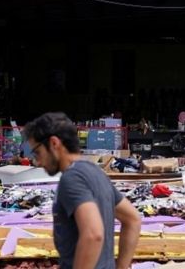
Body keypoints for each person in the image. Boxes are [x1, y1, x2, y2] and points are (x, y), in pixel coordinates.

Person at [23, 112, 141, 269]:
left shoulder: (71, 179)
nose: (37, 161)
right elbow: (132, 219)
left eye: (37, 152)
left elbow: (93, 234)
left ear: (54, 143)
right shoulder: (96, 172)